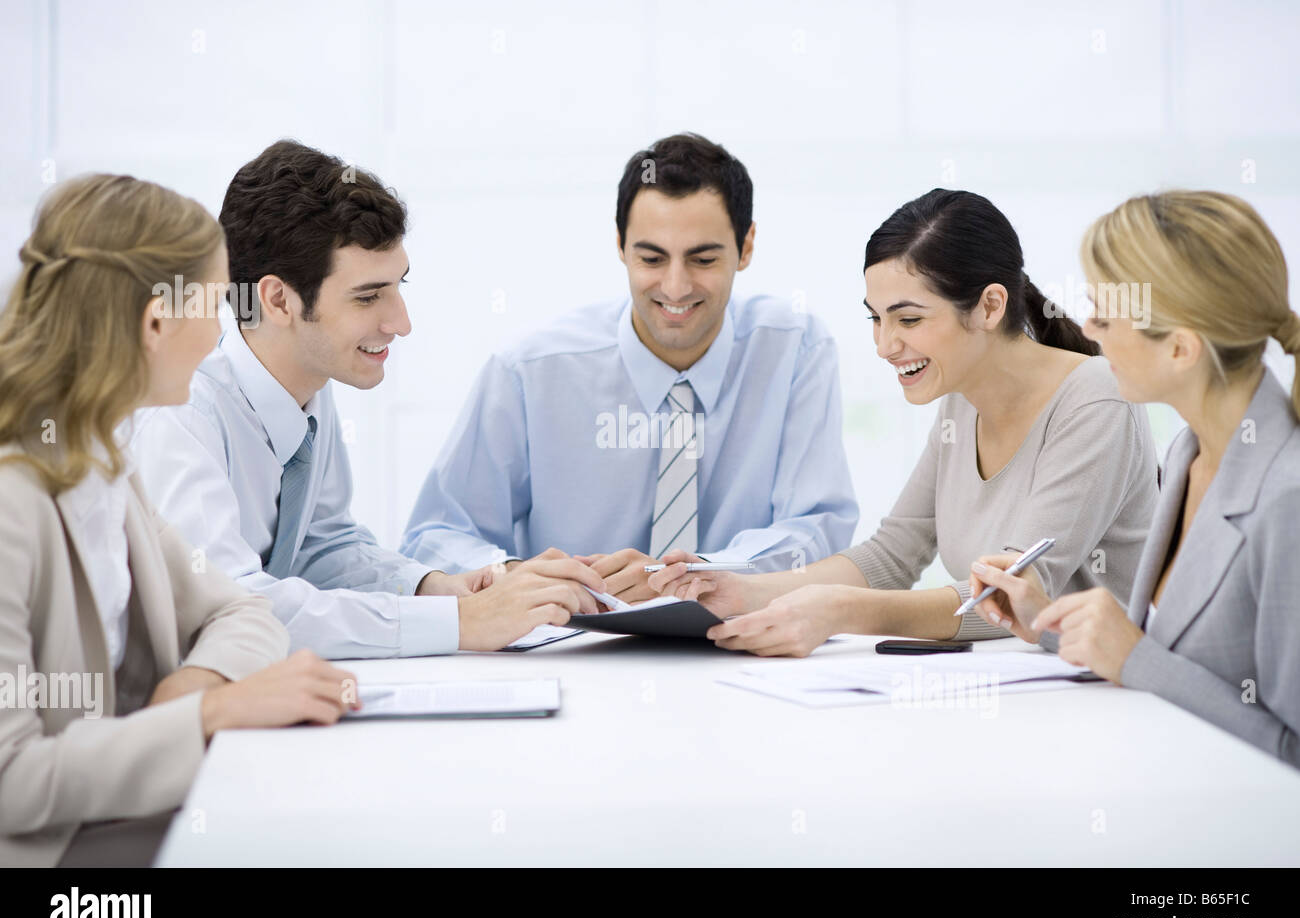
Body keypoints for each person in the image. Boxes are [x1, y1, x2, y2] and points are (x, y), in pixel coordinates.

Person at [0, 174, 359, 867]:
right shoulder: (16, 503)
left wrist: (194, 688)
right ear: (155, 322)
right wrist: (208, 714)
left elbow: (245, 610)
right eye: (218, 301)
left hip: (117, 822)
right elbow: (12, 782)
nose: (224, 328)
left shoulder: (101, 465)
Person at [131, 141, 608, 658]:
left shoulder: (309, 384)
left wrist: (438, 588)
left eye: (398, 287)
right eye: (367, 296)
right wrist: (455, 623)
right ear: (277, 300)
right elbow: (228, 607)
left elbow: (321, 547)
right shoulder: (182, 416)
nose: (400, 324)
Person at [650, 188, 1158, 655]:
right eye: (876, 318)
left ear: (990, 306)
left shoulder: (1096, 399)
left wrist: (840, 611)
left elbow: (1013, 597)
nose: (884, 345)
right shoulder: (962, 398)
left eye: (908, 319)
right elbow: (893, 554)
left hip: (1095, 698)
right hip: (1017, 687)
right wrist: (741, 589)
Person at [400, 132, 858, 603]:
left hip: (738, 640)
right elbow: (435, 534)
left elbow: (817, 527)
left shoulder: (796, 350)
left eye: (703, 258)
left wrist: (698, 575)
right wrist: (516, 575)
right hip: (574, 642)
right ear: (620, 245)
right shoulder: (529, 372)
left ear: (746, 247)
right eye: (651, 258)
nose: (676, 287)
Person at [967, 190, 1300, 769]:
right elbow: (1174, 659)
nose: (1089, 330)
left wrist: (1134, 656)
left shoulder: (1287, 500)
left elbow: (1292, 749)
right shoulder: (1189, 454)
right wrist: (1047, 620)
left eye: (1106, 314)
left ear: (1179, 348)